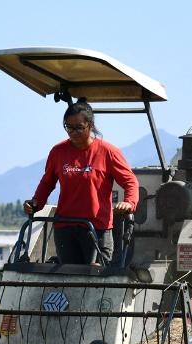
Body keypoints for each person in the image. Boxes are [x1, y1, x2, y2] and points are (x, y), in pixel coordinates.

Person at [24, 99, 139, 265]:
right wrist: (35, 203)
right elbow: (47, 182)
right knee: (69, 277)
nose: (73, 132)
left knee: (97, 276)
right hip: (65, 227)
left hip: (97, 228)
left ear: (90, 125)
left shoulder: (108, 152)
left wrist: (129, 203)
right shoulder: (58, 152)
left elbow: (130, 181)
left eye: (79, 127)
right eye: (68, 127)